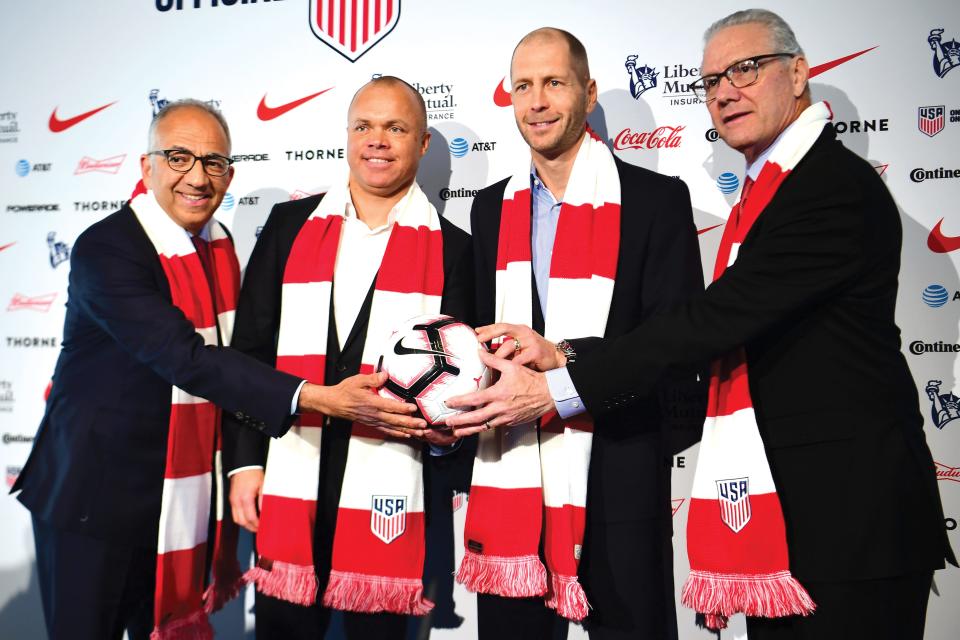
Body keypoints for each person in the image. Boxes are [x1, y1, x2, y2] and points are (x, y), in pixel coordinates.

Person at [447, 9, 956, 640]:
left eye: (746, 69)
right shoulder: (768, 189)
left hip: (850, 523)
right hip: (799, 521)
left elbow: (708, 322)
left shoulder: (828, 190)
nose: (725, 90)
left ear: (798, 74)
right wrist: (554, 356)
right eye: (712, 79)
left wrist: (558, 377)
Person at [10, 100, 424, 640]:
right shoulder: (107, 249)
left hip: (180, 502)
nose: (197, 178)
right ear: (146, 167)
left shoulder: (220, 244)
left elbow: (242, 353)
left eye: (214, 163)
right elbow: (187, 359)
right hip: (97, 503)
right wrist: (319, 398)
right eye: (179, 158)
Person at [448, 28, 703, 640]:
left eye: (554, 83)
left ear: (587, 93)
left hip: (622, 475)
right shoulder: (487, 209)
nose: (536, 101)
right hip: (512, 475)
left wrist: (564, 361)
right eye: (524, 86)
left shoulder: (657, 200)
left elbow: (677, 346)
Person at [221, 76, 473, 640]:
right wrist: (245, 462)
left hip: (393, 485)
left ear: (424, 144)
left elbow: (460, 377)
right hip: (290, 468)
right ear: (347, 136)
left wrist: (448, 432)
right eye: (364, 126)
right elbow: (250, 354)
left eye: (395, 127)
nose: (377, 140)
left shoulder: (456, 248)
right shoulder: (289, 226)